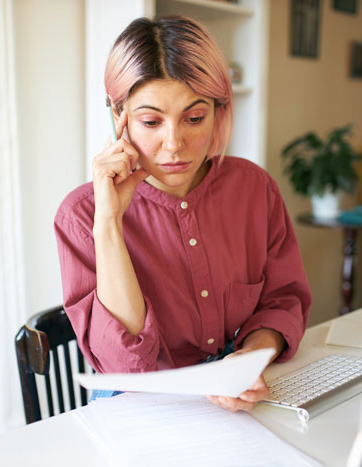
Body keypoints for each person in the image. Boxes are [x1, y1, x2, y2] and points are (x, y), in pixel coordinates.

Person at [55, 16, 311, 412]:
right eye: (150, 121)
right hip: (136, 404)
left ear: (218, 112)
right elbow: (124, 367)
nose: (174, 144)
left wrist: (251, 355)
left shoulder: (254, 190)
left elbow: (283, 299)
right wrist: (108, 223)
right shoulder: (81, 215)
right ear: (117, 116)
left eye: (194, 119)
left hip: (235, 391)